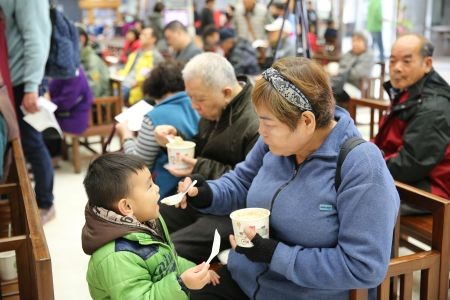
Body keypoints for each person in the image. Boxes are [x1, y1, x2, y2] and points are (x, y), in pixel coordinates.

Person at [175, 57, 399, 299]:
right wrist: (207, 192)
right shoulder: (274, 145)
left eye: (268, 123)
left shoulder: (360, 165)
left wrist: (274, 254)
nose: (260, 131)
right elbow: (241, 182)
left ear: (306, 121)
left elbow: (363, 266)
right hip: (245, 279)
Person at [154, 53, 260, 263]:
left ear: (227, 92)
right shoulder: (213, 111)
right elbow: (203, 146)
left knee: (169, 252)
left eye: (199, 99)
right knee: (148, 221)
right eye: (190, 97)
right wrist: (176, 141)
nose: (194, 106)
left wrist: (199, 165)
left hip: (232, 211)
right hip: (201, 196)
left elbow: (251, 184)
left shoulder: (256, 122)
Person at [81, 153, 219, 299]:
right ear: (127, 206)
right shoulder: (117, 258)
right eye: (149, 186)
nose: (157, 188)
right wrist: (181, 285)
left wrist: (196, 270)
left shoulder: (148, 221)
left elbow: (170, 260)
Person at [374, 33, 450, 201]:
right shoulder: (408, 91)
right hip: (400, 175)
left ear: (427, 64)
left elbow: (410, 165)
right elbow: (385, 140)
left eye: (407, 61)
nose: (397, 68)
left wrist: (366, 166)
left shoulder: (433, 106)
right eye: (392, 60)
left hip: (431, 191)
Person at [0, 0, 55, 223]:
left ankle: (46, 203)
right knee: (19, 145)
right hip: (11, 80)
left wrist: (32, 86)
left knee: (31, 143)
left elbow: (36, 40)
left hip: (24, 82)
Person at [116, 61, 200, 198]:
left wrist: (126, 135)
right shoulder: (198, 105)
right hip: (200, 183)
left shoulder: (154, 117)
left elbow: (140, 165)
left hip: (169, 190)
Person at [119, 27, 164, 106]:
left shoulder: (156, 57)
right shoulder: (136, 53)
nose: (140, 36)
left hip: (137, 90)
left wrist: (137, 83)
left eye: (144, 34)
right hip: (124, 82)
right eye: (141, 34)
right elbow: (127, 70)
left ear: (153, 39)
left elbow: (155, 81)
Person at [330, 31, 374, 105]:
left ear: (366, 43)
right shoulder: (349, 53)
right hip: (341, 82)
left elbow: (355, 74)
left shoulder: (369, 56)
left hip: (355, 86)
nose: (355, 43)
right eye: (353, 40)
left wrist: (342, 72)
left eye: (359, 41)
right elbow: (341, 67)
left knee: (331, 95)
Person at [78, 26, 111, 98]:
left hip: (99, 103)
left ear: (82, 39)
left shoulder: (92, 60)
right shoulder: (79, 57)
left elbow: (96, 88)